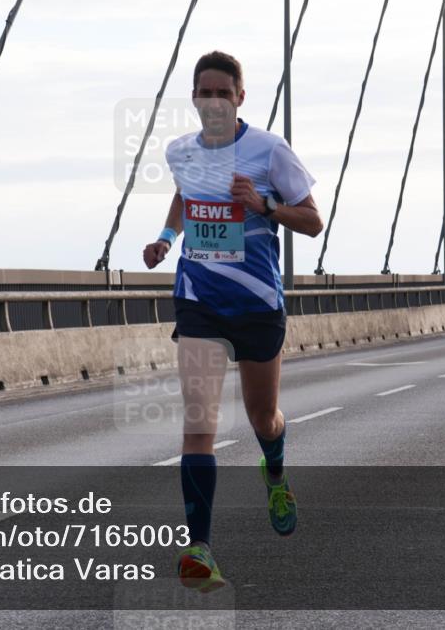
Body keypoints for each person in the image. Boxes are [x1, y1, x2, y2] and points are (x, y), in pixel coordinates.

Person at [142, 50, 324, 592]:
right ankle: (200, 549)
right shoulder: (180, 152)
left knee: (262, 417)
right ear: (194, 99)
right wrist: (166, 240)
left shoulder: (270, 150)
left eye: (225, 92)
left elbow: (313, 221)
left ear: (241, 97)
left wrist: (265, 207)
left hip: (257, 305)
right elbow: (185, 197)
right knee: (199, 424)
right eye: (206, 92)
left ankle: (275, 469)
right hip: (198, 299)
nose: (215, 100)